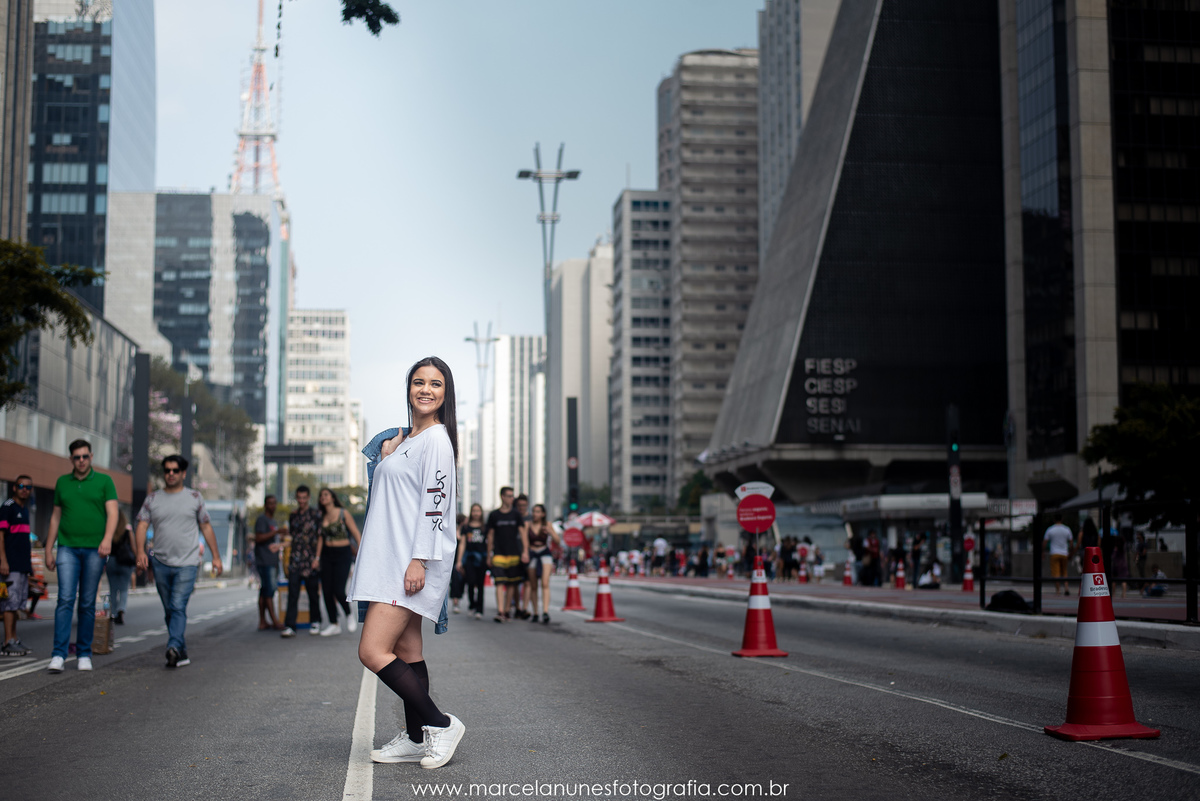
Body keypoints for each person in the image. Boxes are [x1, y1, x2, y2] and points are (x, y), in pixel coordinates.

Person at [348, 356, 465, 769]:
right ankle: (417, 739)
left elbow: (436, 506)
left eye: (436, 383)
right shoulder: (407, 441)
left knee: (372, 650)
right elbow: (391, 498)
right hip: (390, 560)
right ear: (409, 388)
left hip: (407, 564)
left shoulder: (436, 439)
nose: (426, 389)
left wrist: (418, 560)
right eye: (419, 382)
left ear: (445, 394)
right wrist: (386, 457)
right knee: (407, 648)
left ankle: (439, 724)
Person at [134, 455, 223, 668]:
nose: (171, 474)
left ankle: (172, 646)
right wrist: (140, 552)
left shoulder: (194, 497)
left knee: (177, 606)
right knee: (169, 610)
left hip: (188, 562)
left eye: (175, 470)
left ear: (183, 473)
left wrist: (216, 557)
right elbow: (142, 526)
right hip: (161, 562)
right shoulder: (152, 499)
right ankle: (180, 651)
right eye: (167, 470)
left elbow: (206, 527)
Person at [46, 440, 118, 673]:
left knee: (87, 603)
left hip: (95, 550)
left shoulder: (104, 481)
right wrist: (49, 548)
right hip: (67, 548)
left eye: (85, 456)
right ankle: (58, 654)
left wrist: (107, 539)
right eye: (77, 457)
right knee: (65, 599)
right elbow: (55, 517)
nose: (81, 461)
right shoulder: (62, 483)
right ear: (71, 459)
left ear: (91, 456)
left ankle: (84, 653)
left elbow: (113, 513)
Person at [317, 487, 362, 636]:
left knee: (338, 590)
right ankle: (333, 623)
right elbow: (320, 539)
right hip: (326, 555)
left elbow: (355, 532)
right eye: (321, 496)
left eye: (326, 495)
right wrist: (317, 558)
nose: (323, 497)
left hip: (343, 553)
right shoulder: (321, 516)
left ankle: (349, 614)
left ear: (332, 497)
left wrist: (362, 552)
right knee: (326, 591)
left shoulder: (343, 513)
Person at [281, 486, 323, 638]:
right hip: (295, 560)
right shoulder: (293, 516)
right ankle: (290, 625)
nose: (302, 501)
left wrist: (317, 558)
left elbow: (320, 537)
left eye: (305, 498)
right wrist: (280, 546)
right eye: (299, 498)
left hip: (311, 560)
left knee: (313, 593)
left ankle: (315, 621)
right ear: (296, 498)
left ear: (308, 498)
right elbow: (292, 538)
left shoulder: (316, 514)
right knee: (293, 593)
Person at [1, 475, 35, 656]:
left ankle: (14, 638)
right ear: (14, 487)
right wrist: (3, 560)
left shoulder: (25, 510)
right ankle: (7, 641)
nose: (24, 489)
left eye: (28, 487)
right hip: (10, 565)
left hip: (22, 565)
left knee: (17, 604)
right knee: (9, 604)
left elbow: (23, 541)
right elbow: (0, 535)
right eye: (21, 486)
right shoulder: (8, 508)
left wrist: (29, 565)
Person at [485, 487, 527, 623]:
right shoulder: (494, 515)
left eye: (512, 496)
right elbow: (490, 535)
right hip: (498, 554)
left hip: (514, 553)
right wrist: (488, 554)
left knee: (512, 583)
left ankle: (507, 610)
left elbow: (522, 533)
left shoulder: (516, 514)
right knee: (499, 582)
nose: (511, 498)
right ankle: (501, 611)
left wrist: (525, 551)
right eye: (509, 496)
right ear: (502, 496)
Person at [524, 504, 560, 624]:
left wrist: (550, 532)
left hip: (545, 553)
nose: (535, 514)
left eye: (538, 512)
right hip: (532, 554)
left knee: (545, 583)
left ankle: (545, 611)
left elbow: (557, 541)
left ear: (543, 514)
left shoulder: (547, 525)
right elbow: (525, 541)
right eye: (534, 511)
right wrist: (526, 552)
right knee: (533, 585)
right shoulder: (527, 525)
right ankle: (535, 612)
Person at [253, 495, 284, 630]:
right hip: (264, 560)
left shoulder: (272, 521)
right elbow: (258, 538)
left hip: (272, 560)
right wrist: (276, 532)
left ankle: (262, 621)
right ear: (265, 505)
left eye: (274, 503)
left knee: (264, 590)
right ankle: (274, 620)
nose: (273, 506)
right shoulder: (262, 520)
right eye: (270, 503)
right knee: (269, 590)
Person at [104, 512, 136, 626]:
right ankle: (121, 610)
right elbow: (133, 546)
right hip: (125, 561)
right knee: (123, 589)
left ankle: (113, 613)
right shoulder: (127, 530)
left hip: (112, 560)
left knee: (113, 589)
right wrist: (137, 559)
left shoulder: (110, 529)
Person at [457, 504, 487, 619]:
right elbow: (463, 544)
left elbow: (489, 542)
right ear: (471, 512)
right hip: (469, 558)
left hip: (482, 559)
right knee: (470, 582)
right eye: (474, 511)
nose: (476, 513)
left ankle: (479, 609)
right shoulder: (466, 527)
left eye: (478, 511)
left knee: (480, 584)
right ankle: (472, 605)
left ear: (481, 513)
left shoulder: (485, 527)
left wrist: (489, 557)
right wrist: (459, 561)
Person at [1043, 514, 1074, 596]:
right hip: (1064, 553)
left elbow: (1045, 542)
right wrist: (1071, 552)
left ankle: (1058, 590)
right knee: (1064, 571)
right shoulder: (1066, 529)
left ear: (1054, 519)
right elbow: (1071, 542)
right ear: (1062, 519)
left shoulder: (1050, 529)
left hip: (1054, 553)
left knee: (1055, 573)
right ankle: (1066, 588)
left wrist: (1042, 552)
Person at [449, 513, 467, 614]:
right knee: (455, 580)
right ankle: (456, 601)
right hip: (452, 559)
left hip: (461, 559)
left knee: (460, 580)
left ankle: (457, 600)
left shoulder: (464, 531)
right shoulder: (452, 530)